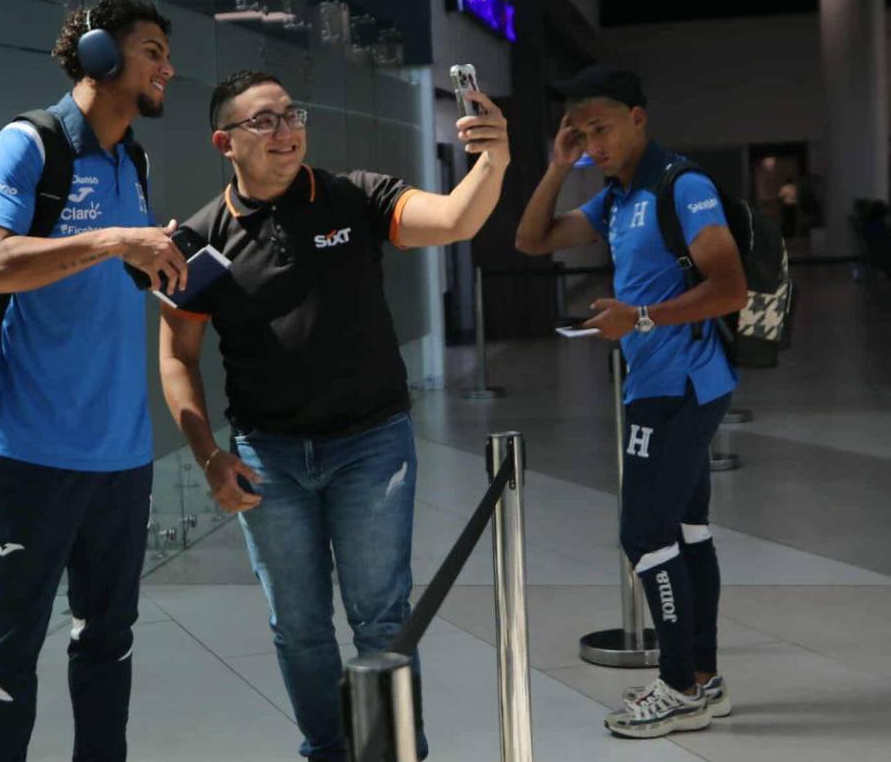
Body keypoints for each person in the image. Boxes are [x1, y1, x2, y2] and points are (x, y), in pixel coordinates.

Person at [157, 70, 511, 761]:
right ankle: (328, 751)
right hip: (268, 458)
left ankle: (392, 753)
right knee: (298, 627)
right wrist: (209, 455)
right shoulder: (202, 240)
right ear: (225, 142)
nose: (286, 131)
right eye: (264, 121)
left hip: (371, 446)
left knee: (381, 619)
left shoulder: (355, 196)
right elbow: (176, 358)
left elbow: (456, 219)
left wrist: (493, 159)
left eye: (292, 115)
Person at [0, 0, 186, 762]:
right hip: (32, 448)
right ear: (100, 56)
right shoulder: (28, 144)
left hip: (122, 451)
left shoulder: (133, 159)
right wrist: (114, 239)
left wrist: (156, 258)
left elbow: (107, 276)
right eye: (153, 51)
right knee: (11, 648)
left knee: (108, 639)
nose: (167, 69)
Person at [516, 64, 748, 740]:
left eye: (603, 130)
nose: (595, 145)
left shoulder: (682, 185)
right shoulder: (615, 196)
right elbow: (531, 240)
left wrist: (639, 318)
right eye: (581, 134)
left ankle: (677, 686)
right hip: (661, 379)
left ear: (638, 118)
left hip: (680, 385)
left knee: (644, 534)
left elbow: (730, 287)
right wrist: (558, 167)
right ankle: (702, 679)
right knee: (689, 529)